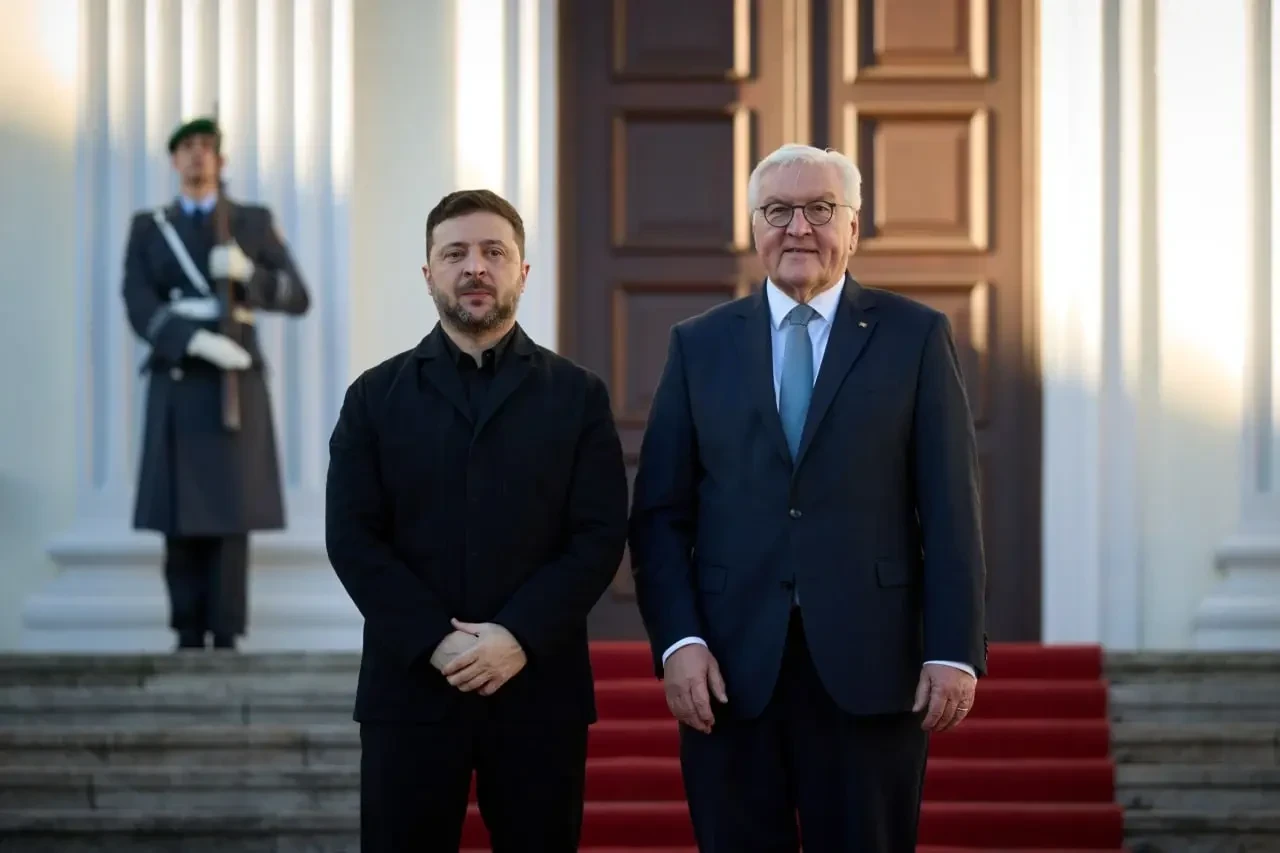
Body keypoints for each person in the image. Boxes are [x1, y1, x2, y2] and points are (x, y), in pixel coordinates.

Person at [629, 143, 988, 852]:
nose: (797, 228)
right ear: (753, 228)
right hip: (728, 670)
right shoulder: (698, 345)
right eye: (777, 211)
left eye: (820, 209)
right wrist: (678, 641)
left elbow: (952, 506)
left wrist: (954, 647)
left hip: (872, 664)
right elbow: (661, 515)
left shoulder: (915, 336)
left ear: (853, 227)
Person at [324, 189, 629, 852]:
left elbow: (599, 534)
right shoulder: (373, 397)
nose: (475, 267)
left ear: (523, 270)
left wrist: (517, 635)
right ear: (428, 272)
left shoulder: (577, 395)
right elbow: (352, 538)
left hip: (539, 686)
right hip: (411, 686)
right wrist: (435, 640)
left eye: (494, 252)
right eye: (455, 253)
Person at [122, 116, 310, 652]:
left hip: (236, 380)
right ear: (174, 160)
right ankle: (186, 633)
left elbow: (297, 295)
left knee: (232, 511)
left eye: (207, 146)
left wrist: (249, 275)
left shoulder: (252, 221)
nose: (197, 155)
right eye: (187, 147)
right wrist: (192, 341)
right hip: (180, 376)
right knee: (178, 513)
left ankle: (226, 636)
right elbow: (138, 303)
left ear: (221, 161)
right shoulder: (150, 226)